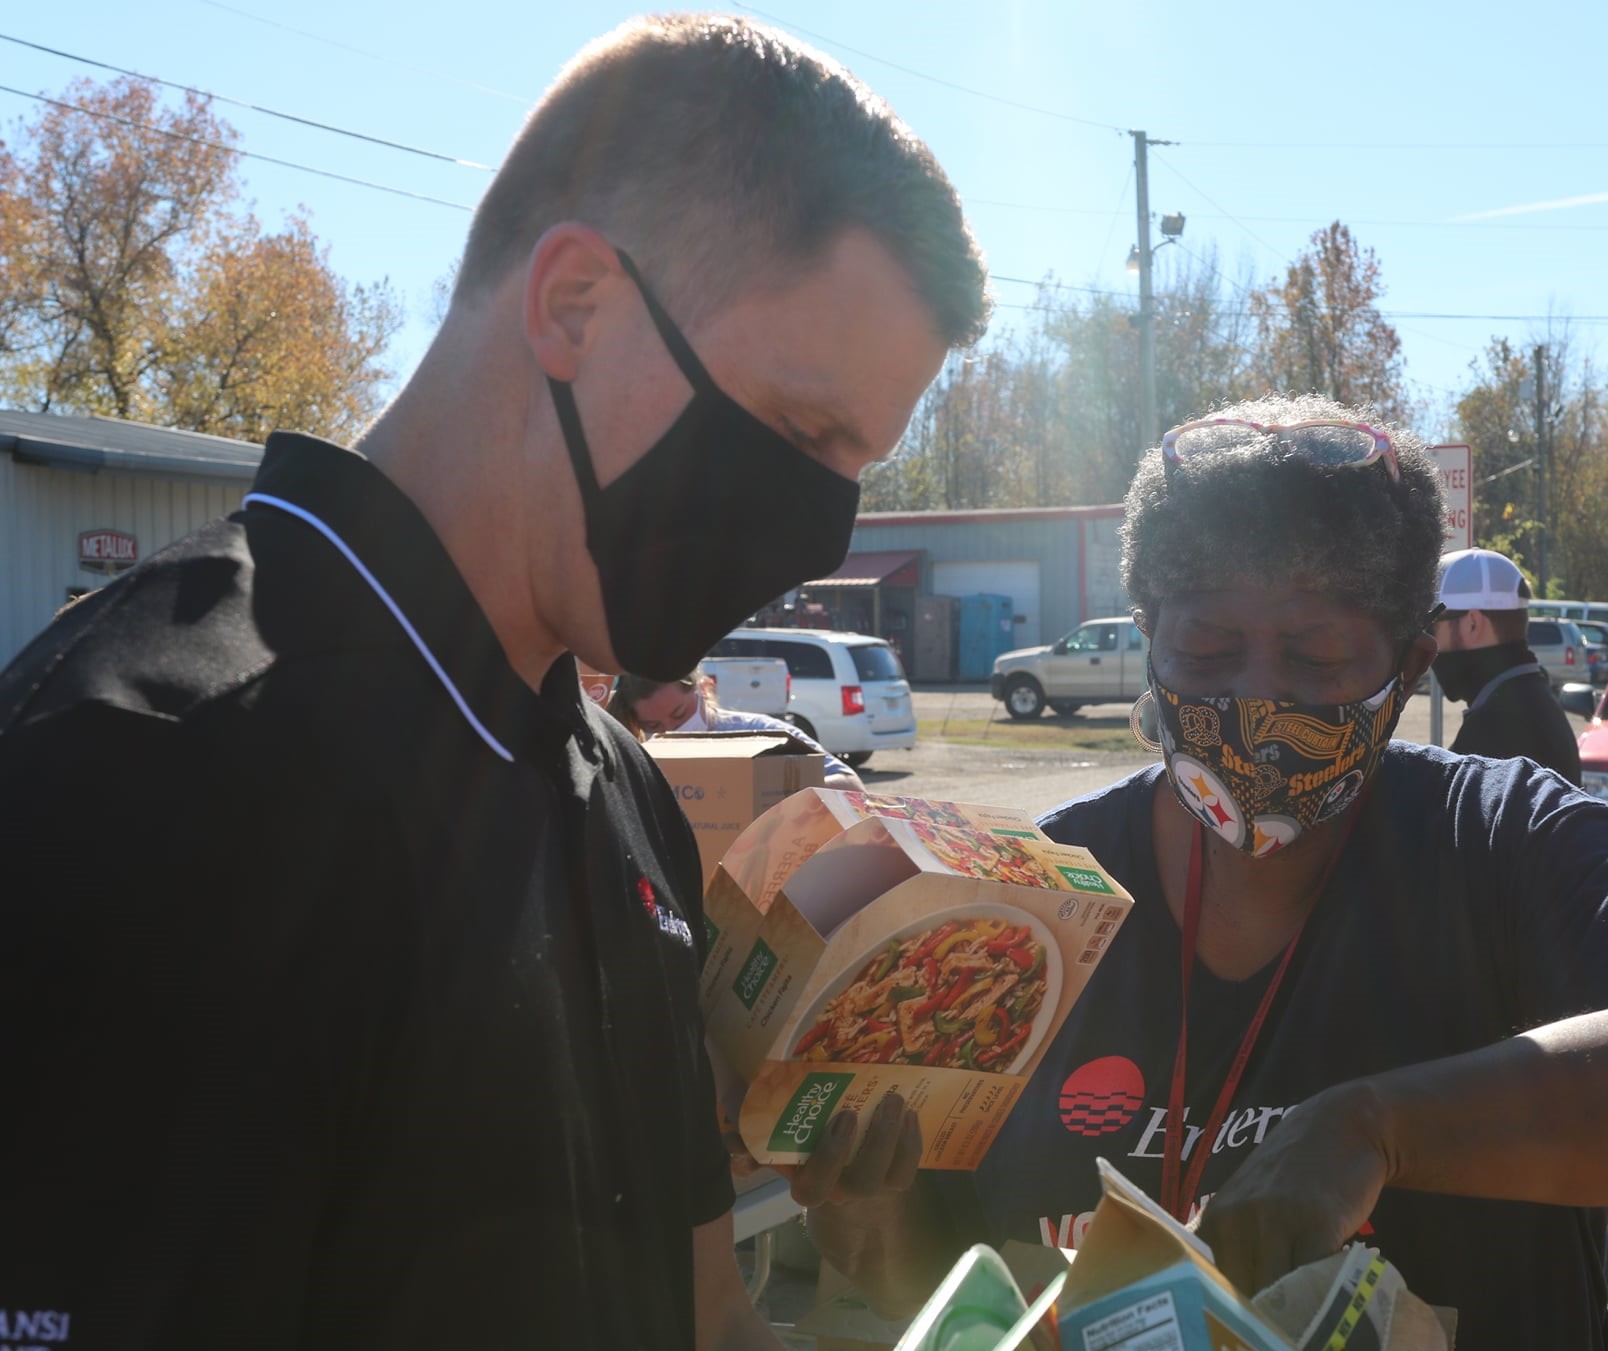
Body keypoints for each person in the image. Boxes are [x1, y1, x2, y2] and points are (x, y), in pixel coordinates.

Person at [0, 16, 987, 1350]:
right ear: (575, 304)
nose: (818, 522)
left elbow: (703, 1318)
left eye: (852, 468)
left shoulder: (617, 785)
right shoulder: (155, 774)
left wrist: (882, 1293)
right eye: (801, 432)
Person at [805, 396, 1608, 1351]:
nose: (1257, 699)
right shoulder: (1031, 906)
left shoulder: (1503, 843)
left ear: (1410, 668)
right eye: (1209, 649)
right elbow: (934, 1276)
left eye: (1317, 656)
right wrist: (856, 1212)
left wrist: (1376, 1128)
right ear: (1147, 635)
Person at [1432, 546, 1581, 784]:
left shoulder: (1494, 728)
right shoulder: (1532, 696)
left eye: (1433, 627)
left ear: (1472, 623)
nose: (1430, 644)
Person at [609, 669, 865, 789]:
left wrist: (762, 787)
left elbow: (850, 785)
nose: (671, 730)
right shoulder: (637, 755)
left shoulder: (759, 733)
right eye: (653, 726)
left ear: (704, 689)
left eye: (680, 714)